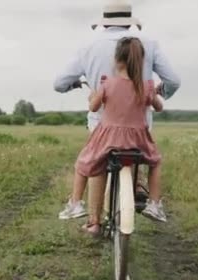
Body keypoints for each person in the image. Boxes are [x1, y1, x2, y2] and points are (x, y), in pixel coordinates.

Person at [54, 0, 180, 220]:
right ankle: (145, 195)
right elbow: (173, 81)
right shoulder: (148, 44)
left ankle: (93, 222)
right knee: (146, 158)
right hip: (139, 129)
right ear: (129, 22)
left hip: (102, 128)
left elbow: (59, 83)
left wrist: (78, 86)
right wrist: (160, 91)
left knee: (94, 165)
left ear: (104, 23)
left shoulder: (89, 47)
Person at [65, 37, 167, 235]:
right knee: (155, 162)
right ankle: (155, 204)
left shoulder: (107, 84)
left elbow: (93, 107)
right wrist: (154, 93)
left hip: (108, 138)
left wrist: (94, 95)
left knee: (83, 164)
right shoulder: (146, 86)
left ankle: (75, 203)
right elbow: (159, 107)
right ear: (140, 61)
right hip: (138, 140)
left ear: (116, 60)